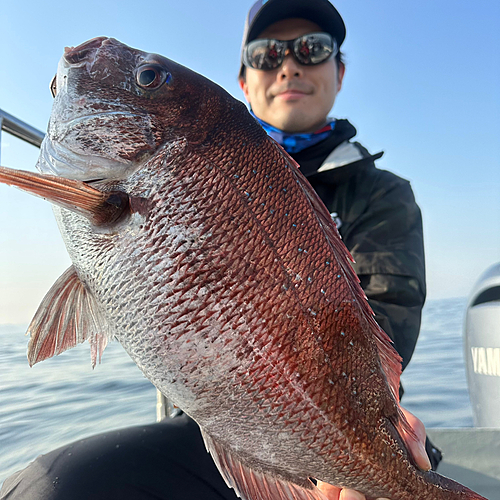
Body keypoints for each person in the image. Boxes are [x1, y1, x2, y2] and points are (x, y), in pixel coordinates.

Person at [0, 2, 439, 499]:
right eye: (267, 53)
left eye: (312, 49)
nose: (289, 65)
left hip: (347, 433)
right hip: (212, 424)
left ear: (339, 71)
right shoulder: (213, 149)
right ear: (245, 81)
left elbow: (389, 313)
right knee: (49, 487)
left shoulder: (381, 194)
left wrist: (372, 443)